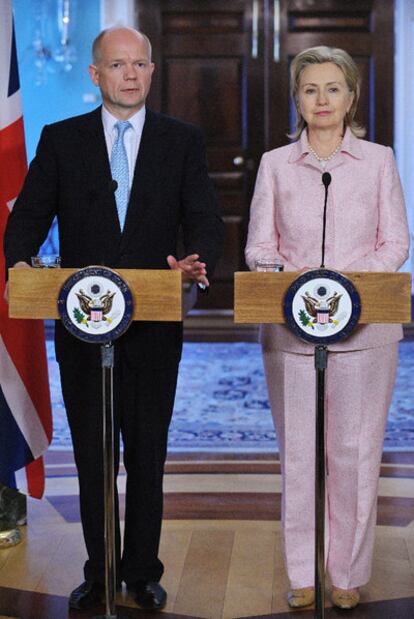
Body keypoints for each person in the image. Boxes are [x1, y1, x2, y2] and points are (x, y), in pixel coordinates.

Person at [4, 27, 223, 611]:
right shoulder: (62, 140)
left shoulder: (182, 140)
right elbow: (26, 218)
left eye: (141, 65)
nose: (131, 75)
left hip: (153, 327)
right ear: (95, 74)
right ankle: (99, 572)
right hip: (85, 328)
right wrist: (21, 261)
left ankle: (142, 571)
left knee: (147, 454)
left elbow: (206, 220)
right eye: (118, 65)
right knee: (93, 457)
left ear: (152, 73)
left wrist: (197, 258)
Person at [245, 46, 409, 610]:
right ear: (297, 98)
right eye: (310, 89)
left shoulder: (380, 160)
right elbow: (258, 246)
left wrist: (348, 290)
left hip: (366, 333)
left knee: (355, 451)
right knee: (300, 454)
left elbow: (396, 243)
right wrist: (299, 289)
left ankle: (346, 574)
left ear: (351, 96)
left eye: (333, 88)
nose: (322, 99)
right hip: (291, 332)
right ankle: (302, 574)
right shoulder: (274, 164)